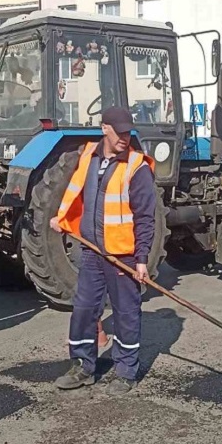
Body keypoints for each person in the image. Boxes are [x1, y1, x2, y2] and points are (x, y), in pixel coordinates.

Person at [50, 106, 156, 395]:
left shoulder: (137, 168)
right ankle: (83, 367)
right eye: (119, 131)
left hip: (124, 255)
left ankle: (125, 372)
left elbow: (146, 217)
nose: (125, 136)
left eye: (128, 132)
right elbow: (74, 191)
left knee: (125, 312)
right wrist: (61, 219)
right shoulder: (89, 157)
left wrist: (142, 259)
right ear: (104, 129)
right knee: (84, 310)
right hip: (92, 252)